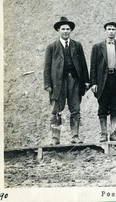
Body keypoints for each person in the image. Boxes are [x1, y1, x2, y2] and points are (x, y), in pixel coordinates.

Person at [44, 16, 90, 145]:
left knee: (75, 108)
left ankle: (75, 136)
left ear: (71, 30)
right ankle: (55, 138)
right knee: (56, 110)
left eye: (68, 29)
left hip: (74, 81)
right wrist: (47, 84)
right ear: (58, 30)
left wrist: (86, 81)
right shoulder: (52, 47)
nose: (65, 31)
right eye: (63, 29)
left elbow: (83, 64)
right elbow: (47, 67)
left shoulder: (77, 45)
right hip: (57, 83)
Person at [90, 21, 116, 142]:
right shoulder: (97, 47)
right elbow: (93, 66)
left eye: (113, 29)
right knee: (102, 108)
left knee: (115, 107)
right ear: (105, 31)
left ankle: (113, 133)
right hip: (103, 81)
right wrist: (94, 83)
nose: (111, 31)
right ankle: (103, 134)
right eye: (109, 29)